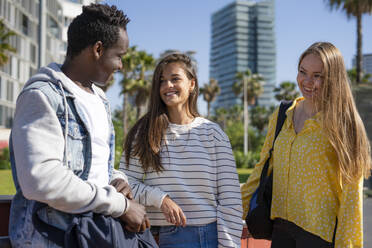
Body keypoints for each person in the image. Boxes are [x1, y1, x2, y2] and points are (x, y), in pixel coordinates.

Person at [9, 4, 150, 247]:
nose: (121, 66)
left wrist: (116, 179)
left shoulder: (100, 99)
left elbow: (94, 165)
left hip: (93, 233)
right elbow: (42, 180)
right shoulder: (42, 95)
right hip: (53, 237)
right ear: (97, 49)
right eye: (119, 56)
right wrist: (121, 205)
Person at [241, 42, 371, 248]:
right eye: (303, 72)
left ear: (333, 78)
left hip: (318, 235)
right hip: (280, 229)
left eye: (318, 75)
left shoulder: (344, 123)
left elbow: (351, 197)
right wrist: (236, 207)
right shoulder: (283, 113)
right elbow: (263, 166)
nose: (308, 81)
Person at [119, 53, 243, 248]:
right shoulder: (143, 132)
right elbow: (125, 183)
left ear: (191, 84)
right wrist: (160, 199)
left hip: (202, 237)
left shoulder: (213, 134)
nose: (167, 86)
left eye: (175, 79)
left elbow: (230, 200)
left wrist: (229, 246)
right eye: (162, 81)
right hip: (149, 236)